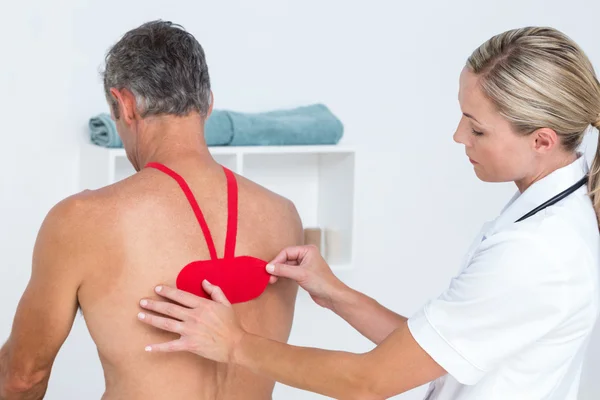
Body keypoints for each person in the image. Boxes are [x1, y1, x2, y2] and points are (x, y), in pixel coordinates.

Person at [137, 26, 600, 399]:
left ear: (541, 140)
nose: (459, 137)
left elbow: (369, 382)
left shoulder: (540, 252)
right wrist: (335, 293)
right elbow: (436, 349)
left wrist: (235, 343)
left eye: (476, 128)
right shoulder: (542, 220)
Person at [0, 20, 303, 400]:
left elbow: (22, 377)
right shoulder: (284, 215)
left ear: (125, 105)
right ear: (207, 103)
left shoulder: (81, 220)